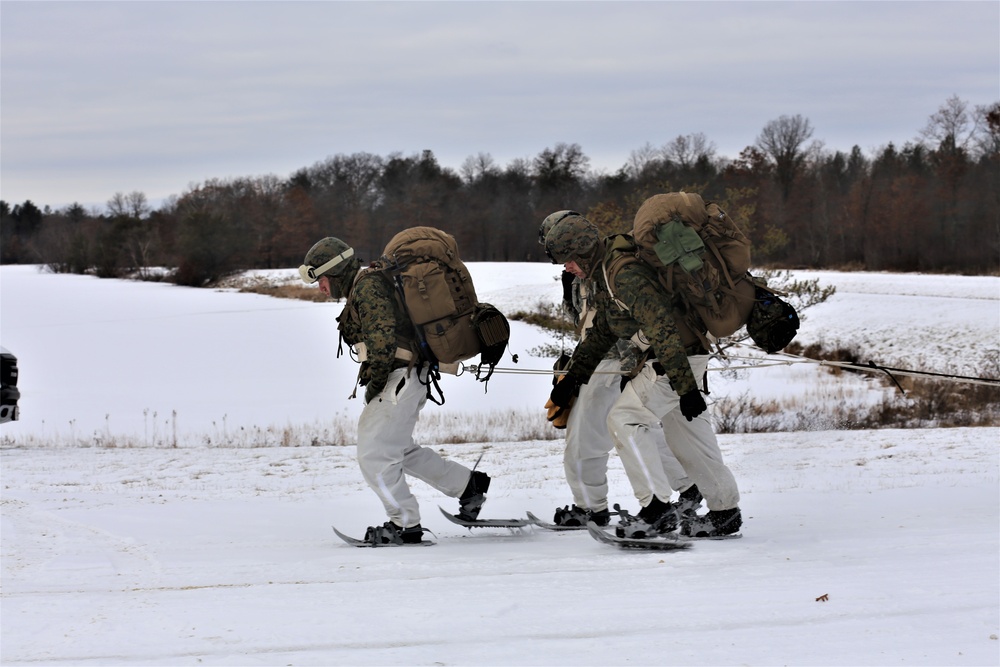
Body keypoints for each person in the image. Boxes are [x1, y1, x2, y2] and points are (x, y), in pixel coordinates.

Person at [542, 213, 742, 538]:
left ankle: (656, 510)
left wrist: (686, 387)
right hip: (683, 361)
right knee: (685, 439)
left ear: (583, 251)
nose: (566, 268)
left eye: (568, 260)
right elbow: (604, 330)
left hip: (674, 360)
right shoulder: (607, 273)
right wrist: (574, 379)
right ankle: (725, 512)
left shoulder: (625, 273)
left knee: (624, 420)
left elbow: (663, 328)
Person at [300, 237, 491, 545]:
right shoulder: (365, 286)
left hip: (398, 377)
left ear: (334, 274)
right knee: (399, 452)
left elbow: (382, 342)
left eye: (321, 280)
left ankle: (404, 524)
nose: (320, 288)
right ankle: (469, 485)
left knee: (374, 456)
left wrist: (374, 385)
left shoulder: (367, 287)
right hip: (406, 376)